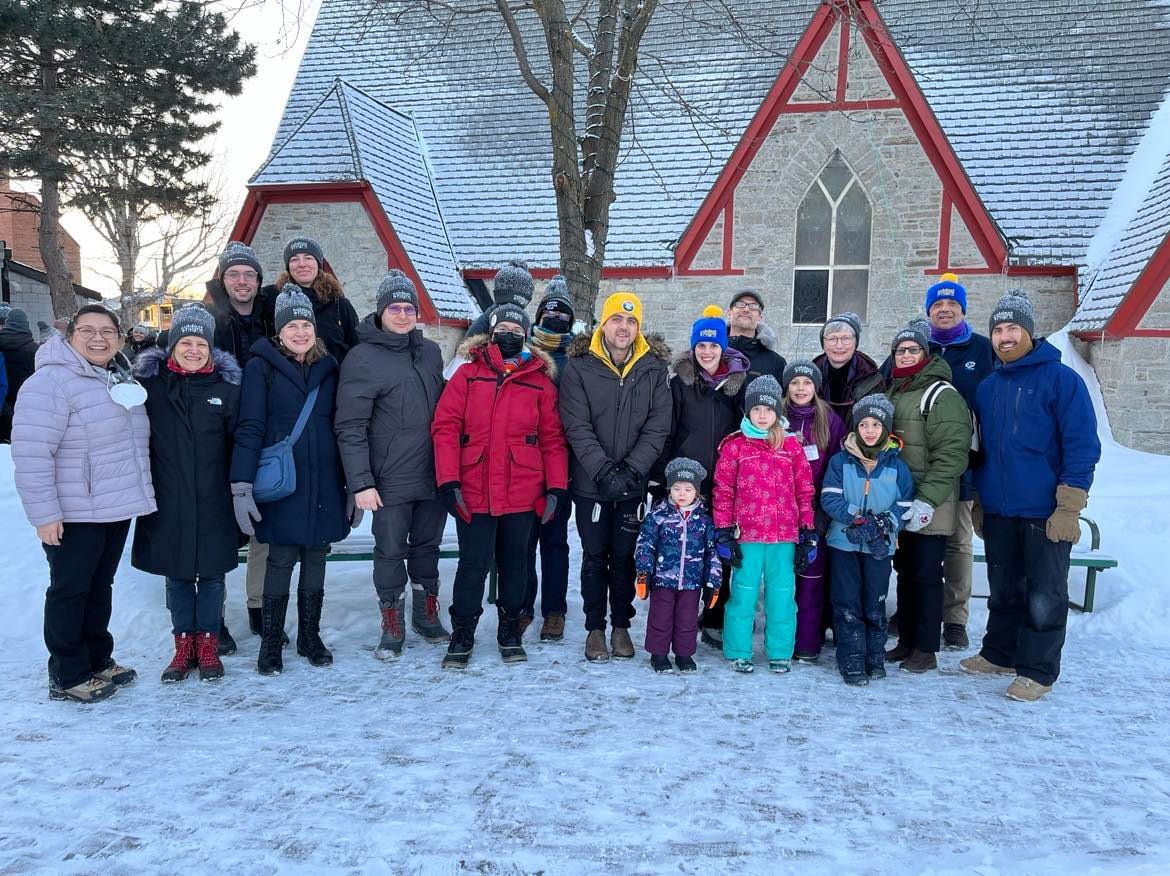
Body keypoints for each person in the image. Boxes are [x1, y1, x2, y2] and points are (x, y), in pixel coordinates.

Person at [960, 291, 1100, 702]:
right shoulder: (988, 387)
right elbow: (983, 449)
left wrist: (1069, 506)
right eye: (998, 330)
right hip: (1000, 508)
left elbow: (1082, 446)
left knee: (1044, 593)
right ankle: (999, 653)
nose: (1004, 337)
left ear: (1029, 332)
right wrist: (982, 499)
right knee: (1004, 588)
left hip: (1045, 509)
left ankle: (1037, 671)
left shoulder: (1062, 381)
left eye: (1012, 328)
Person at [12, 303, 155, 702]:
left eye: (107, 332)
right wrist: (45, 515)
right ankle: (68, 672)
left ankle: (97, 659)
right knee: (70, 589)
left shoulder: (117, 375)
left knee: (98, 585)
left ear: (120, 338)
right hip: (74, 510)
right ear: (70, 335)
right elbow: (32, 453)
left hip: (112, 505)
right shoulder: (50, 382)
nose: (98, 338)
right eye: (88, 331)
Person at [431, 302, 569, 668]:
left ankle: (510, 629)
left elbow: (553, 439)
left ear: (526, 336)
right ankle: (463, 631)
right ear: (491, 334)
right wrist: (448, 480)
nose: (509, 335)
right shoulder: (467, 375)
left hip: (522, 489)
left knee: (515, 564)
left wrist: (556, 487)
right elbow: (445, 428)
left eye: (516, 330)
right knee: (472, 564)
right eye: (502, 329)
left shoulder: (540, 381)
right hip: (473, 488)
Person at [230, 286, 353, 676]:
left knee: (316, 556)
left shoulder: (329, 369)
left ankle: (310, 636)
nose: (300, 332)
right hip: (283, 482)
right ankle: (271, 642)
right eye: (292, 326)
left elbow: (343, 428)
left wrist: (352, 484)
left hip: (325, 480)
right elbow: (250, 427)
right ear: (279, 331)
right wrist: (241, 484)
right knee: (280, 558)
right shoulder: (260, 368)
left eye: (306, 325)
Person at [335, 270, 449, 661]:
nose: (402, 315)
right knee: (389, 551)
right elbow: (350, 426)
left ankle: (426, 613)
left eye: (408, 309)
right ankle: (392, 621)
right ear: (381, 311)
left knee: (428, 547)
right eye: (394, 308)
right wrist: (361, 482)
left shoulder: (430, 352)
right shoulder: (362, 358)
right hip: (388, 478)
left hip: (432, 473)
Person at [130, 305, 241, 682]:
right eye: (186, 343)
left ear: (211, 348)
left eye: (201, 344)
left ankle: (208, 645)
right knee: (177, 574)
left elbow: (238, 441)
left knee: (211, 575)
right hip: (168, 497)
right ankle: (183, 647)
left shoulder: (226, 388)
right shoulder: (150, 386)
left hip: (214, 498)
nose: (194, 350)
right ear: (172, 345)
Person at [559, 291, 672, 663]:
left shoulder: (653, 368)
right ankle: (595, 627)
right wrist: (603, 469)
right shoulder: (579, 366)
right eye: (617, 320)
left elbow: (658, 425)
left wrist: (633, 469)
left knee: (624, 556)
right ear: (603, 323)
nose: (624, 328)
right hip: (591, 483)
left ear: (638, 327)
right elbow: (576, 425)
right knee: (595, 556)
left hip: (632, 484)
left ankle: (621, 625)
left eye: (631, 321)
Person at [656, 305, 749, 648]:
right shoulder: (679, 384)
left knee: (720, 550)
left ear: (723, 347)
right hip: (686, 482)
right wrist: (662, 478)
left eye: (713, 345)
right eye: (701, 346)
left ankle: (714, 616)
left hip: (725, 482)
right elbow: (667, 431)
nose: (707, 352)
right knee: (684, 549)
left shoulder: (738, 385)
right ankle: (680, 615)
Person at [883, 319, 972, 674]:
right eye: (900, 350)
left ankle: (926, 647)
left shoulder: (940, 395)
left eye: (913, 350)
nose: (906, 355)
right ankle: (906, 640)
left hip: (930, 504)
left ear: (926, 353)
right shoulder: (896, 390)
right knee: (906, 571)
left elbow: (951, 454)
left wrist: (928, 499)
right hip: (901, 501)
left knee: (926, 573)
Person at [712, 375, 815, 674]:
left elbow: (804, 490)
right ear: (747, 411)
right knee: (743, 594)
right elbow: (723, 490)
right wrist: (723, 530)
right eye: (756, 409)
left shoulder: (791, 446)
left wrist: (807, 531)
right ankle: (738, 650)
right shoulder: (735, 446)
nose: (762, 415)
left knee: (782, 596)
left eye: (768, 409)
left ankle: (780, 652)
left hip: (784, 535)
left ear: (777, 412)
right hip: (747, 534)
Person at [205, 241, 276, 635]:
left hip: (262, 431)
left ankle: (258, 605)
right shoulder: (208, 319)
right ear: (223, 279)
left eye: (249, 274)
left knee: (261, 524)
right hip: (219, 432)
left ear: (259, 280)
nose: (242, 281)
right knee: (218, 528)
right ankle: (213, 615)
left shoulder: (271, 318)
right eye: (234, 273)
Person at [922, 274, 996, 650]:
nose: (945, 310)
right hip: (919, 463)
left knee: (957, 542)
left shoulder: (983, 351)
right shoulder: (918, 346)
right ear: (929, 311)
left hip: (964, 464)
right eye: (938, 304)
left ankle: (954, 618)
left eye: (952, 304)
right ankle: (916, 609)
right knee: (917, 541)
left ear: (963, 310)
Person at [820, 395, 915, 685]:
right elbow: (829, 498)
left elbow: (905, 504)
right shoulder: (840, 461)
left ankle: (874, 657)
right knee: (847, 602)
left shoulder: (897, 466)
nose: (870, 430)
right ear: (856, 427)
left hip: (880, 547)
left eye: (876, 424)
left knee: (875, 601)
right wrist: (857, 517)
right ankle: (851, 660)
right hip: (844, 543)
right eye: (864, 424)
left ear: (886, 428)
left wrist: (884, 522)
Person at [522, 275, 578, 641]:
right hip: (524, 462)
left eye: (563, 316)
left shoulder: (578, 358)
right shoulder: (524, 353)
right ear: (539, 316)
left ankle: (554, 610)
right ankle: (522, 605)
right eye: (550, 314)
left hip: (563, 462)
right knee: (523, 540)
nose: (556, 320)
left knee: (555, 540)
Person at [782, 360, 847, 662]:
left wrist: (822, 508)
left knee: (811, 579)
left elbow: (837, 466)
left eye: (806, 383)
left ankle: (807, 642)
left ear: (816, 387)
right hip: (780, 513)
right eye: (795, 383)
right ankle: (781, 641)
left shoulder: (829, 420)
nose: (800, 388)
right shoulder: (776, 417)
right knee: (783, 581)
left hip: (814, 513)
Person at [634, 457, 721, 673]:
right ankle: (659, 654)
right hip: (663, 580)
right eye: (677, 488)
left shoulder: (704, 521)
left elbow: (712, 553)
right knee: (660, 617)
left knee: (687, 620)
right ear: (669, 489)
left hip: (692, 583)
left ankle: (684, 654)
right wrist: (644, 572)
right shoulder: (658, 516)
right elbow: (645, 544)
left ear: (697, 492)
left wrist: (713, 582)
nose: (682, 494)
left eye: (688, 489)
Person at [265, 237, 359, 364]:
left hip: (334, 374)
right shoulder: (271, 297)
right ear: (288, 267)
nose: (302, 264)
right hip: (286, 374)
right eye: (294, 259)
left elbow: (357, 348)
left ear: (318, 264)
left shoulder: (339, 304)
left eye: (308, 258)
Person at [813, 311, 885, 423]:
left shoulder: (872, 379)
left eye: (846, 338)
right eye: (832, 339)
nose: (839, 346)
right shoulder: (810, 377)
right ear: (823, 344)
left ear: (855, 343)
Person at [725, 289, 786, 383]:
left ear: (760, 318)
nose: (746, 309)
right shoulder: (709, 354)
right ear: (729, 313)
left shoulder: (776, 363)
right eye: (740, 304)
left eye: (753, 306)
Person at [0, 308, 39, 443]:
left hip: (3, 404)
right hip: (26, 404)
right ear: (26, 324)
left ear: (8, 323)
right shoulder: (35, 349)